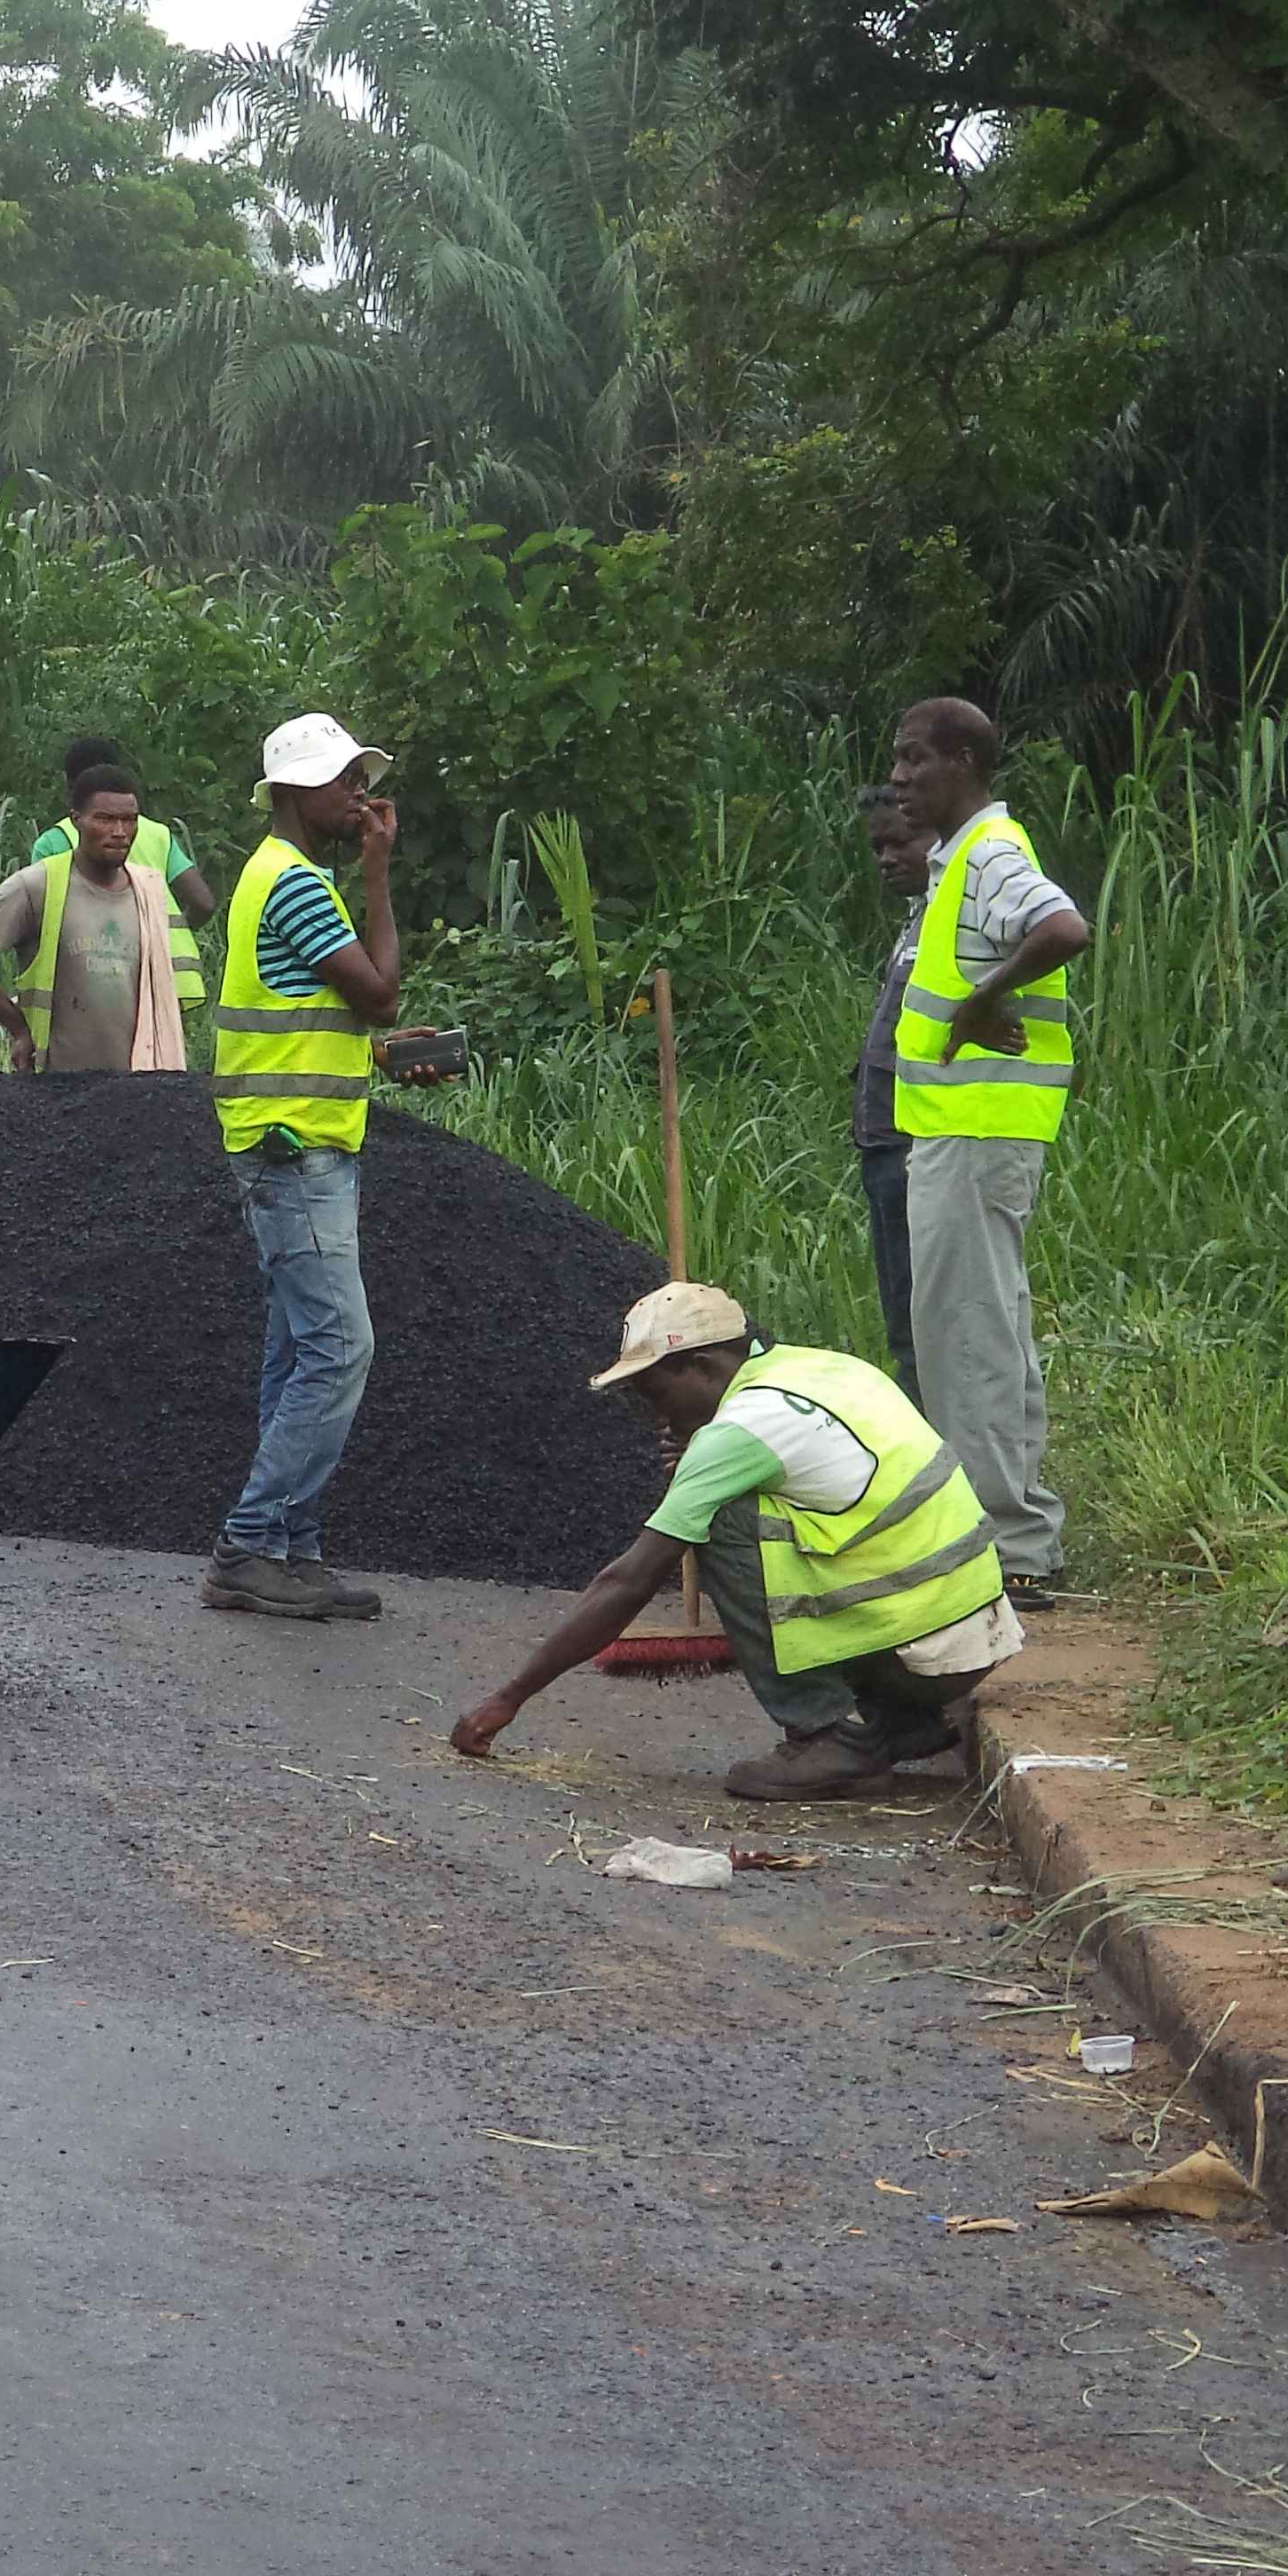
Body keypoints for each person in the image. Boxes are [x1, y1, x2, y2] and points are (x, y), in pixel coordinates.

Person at [451, 1280, 1023, 1800]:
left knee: (721, 1519)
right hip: (970, 1642)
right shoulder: (822, 1369)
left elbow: (628, 1581)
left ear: (701, 1366)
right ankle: (894, 1721)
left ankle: (830, 1734)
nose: (654, 1416)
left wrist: (511, 1696)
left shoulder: (738, 1431)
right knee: (757, 1508)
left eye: (653, 1393)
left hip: (914, 1653)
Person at [204, 711, 405, 1624]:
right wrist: (378, 875)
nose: (358, 795)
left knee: (296, 1350)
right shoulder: (297, 885)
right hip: (294, 1147)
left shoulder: (272, 875)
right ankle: (253, 1544)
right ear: (293, 793)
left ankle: (292, 1546)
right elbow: (378, 992)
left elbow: (335, 1015)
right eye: (342, 782)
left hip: (288, 1138)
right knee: (340, 1345)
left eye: (359, 778)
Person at [886, 695, 1089, 1602]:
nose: (899, 776)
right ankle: (1016, 1534)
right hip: (969, 1132)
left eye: (913, 758)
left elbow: (1062, 928)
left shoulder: (988, 854)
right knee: (988, 1332)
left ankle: (997, 1544)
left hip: (977, 1131)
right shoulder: (956, 860)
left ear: (962, 760)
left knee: (966, 1337)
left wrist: (982, 1002)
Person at [0, 760, 191, 1074]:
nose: (119, 832)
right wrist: (18, 1027)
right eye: (105, 819)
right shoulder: (39, 885)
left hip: (138, 1084)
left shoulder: (148, 891)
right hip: (58, 1084)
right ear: (77, 821)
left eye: (129, 820)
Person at [30, 733, 218, 1008]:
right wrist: (160, 937)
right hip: (169, 980)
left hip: (98, 985)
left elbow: (42, 926)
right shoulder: (157, 834)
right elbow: (203, 903)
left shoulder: (56, 839)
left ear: (71, 788)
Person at [850, 783, 933, 1399]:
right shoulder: (914, 922)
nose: (886, 859)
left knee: (928, 1319)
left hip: (917, 1144)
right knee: (901, 1313)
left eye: (901, 842)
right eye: (877, 847)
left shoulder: (957, 914)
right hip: (882, 1142)